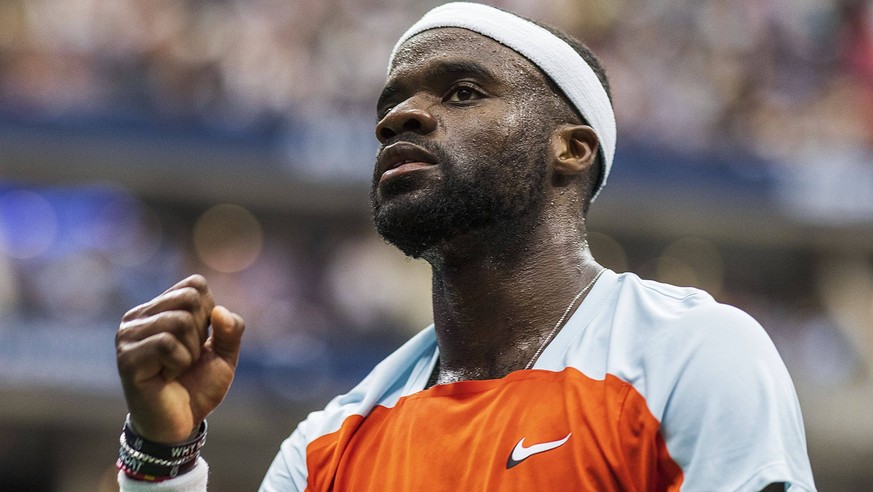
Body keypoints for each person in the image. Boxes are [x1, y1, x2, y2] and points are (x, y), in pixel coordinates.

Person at [114, 3, 816, 491]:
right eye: (389, 105)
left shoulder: (691, 353)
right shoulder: (326, 445)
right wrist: (162, 456)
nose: (400, 117)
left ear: (569, 149)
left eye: (461, 91)